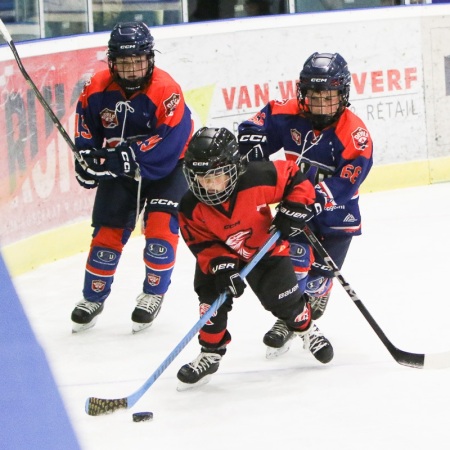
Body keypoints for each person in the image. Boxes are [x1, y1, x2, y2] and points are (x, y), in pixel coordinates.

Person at [175, 127, 333, 390]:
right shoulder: (190, 206)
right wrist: (222, 268)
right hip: (221, 257)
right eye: (202, 177)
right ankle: (211, 353)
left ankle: (306, 329)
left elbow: (294, 177)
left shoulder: (258, 177)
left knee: (286, 303)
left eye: (217, 176)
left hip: (265, 250)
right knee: (211, 303)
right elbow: (201, 243)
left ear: (234, 168)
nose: (210, 185)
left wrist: (294, 207)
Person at [238, 52, 373, 356]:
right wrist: (251, 141)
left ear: (343, 95)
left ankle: (318, 293)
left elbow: (348, 179)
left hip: (338, 216)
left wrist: (318, 198)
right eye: (314, 97)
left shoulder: (355, 134)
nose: (322, 105)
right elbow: (255, 126)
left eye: (330, 97)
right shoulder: (286, 112)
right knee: (294, 261)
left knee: (319, 277)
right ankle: (290, 318)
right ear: (303, 93)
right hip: (297, 206)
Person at [70, 21, 193, 333]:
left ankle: (152, 294)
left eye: (138, 61)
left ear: (149, 58)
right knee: (107, 235)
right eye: (124, 63)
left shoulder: (166, 90)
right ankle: (93, 298)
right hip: (121, 168)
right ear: (112, 62)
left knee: (160, 230)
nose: (132, 70)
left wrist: (126, 155)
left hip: (170, 167)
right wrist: (86, 158)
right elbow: (87, 130)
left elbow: (170, 141)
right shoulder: (96, 88)